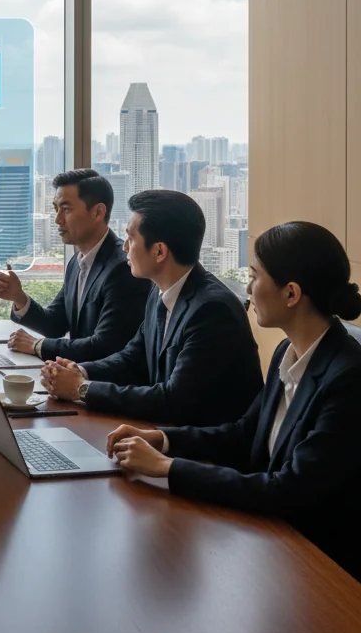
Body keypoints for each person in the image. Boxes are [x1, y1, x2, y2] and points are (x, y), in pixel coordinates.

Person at [108, 221, 361, 581]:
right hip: (272, 540)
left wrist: (168, 467)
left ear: (291, 294)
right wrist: (162, 440)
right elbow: (244, 433)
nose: (247, 288)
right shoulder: (287, 352)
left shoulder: (348, 378)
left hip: (321, 567)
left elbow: (289, 490)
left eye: (255, 276)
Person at [41, 189, 262, 425]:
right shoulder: (160, 291)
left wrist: (81, 389)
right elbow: (133, 358)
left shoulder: (212, 311)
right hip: (162, 431)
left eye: (131, 238)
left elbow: (174, 400)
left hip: (202, 442)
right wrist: (79, 371)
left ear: (159, 251)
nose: (124, 247)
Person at [0, 169, 150, 362]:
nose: (57, 219)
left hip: (98, 378)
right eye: (56, 209)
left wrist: (36, 345)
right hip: (72, 374)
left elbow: (105, 347)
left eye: (66, 209)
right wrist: (18, 297)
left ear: (98, 212)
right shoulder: (77, 262)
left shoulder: (124, 268)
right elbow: (55, 324)